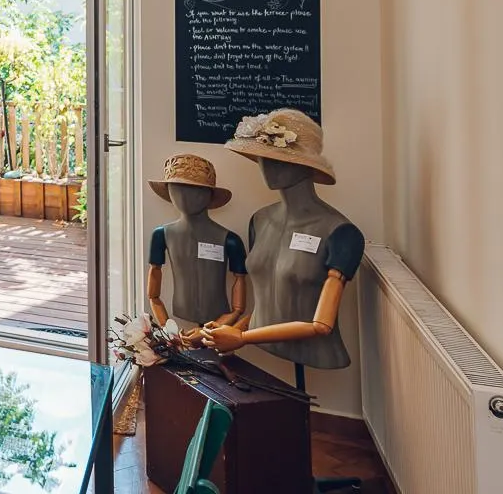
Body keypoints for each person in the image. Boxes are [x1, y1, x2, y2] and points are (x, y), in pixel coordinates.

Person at [201, 109, 364, 373]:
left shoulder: (341, 233)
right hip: (263, 341)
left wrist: (242, 338)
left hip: (315, 353)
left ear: (306, 165)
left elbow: (321, 325)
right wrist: (231, 329)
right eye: (263, 157)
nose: (267, 165)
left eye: (280, 158)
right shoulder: (259, 220)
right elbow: (267, 300)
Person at [146, 153, 246, 341]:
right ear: (168, 191)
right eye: (177, 188)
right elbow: (153, 295)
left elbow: (238, 308)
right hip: (179, 318)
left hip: (218, 318)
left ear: (210, 195)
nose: (185, 196)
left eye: (196, 190)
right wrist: (168, 329)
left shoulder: (230, 240)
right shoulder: (161, 235)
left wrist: (210, 330)